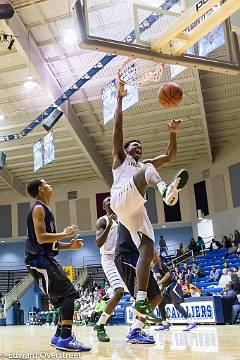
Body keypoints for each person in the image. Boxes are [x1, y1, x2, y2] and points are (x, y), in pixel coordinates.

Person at [110, 81, 188, 318]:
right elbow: (117, 127)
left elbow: (170, 155)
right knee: (148, 169)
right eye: (135, 146)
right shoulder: (121, 160)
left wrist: (172, 133)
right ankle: (165, 191)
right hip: (121, 198)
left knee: (147, 247)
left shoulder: (144, 164)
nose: (139, 149)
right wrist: (120, 98)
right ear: (126, 149)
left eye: (141, 147)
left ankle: (142, 299)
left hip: (134, 207)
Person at [25, 178, 91, 352]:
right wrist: (64, 233)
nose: (49, 185)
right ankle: (66, 338)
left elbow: (47, 243)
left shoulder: (45, 209)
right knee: (69, 295)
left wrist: (69, 245)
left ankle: (58, 337)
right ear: (40, 188)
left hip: (44, 258)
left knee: (65, 299)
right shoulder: (38, 208)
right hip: (38, 260)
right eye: (46, 183)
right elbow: (41, 238)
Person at [115, 222, 162, 344]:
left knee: (157, 296)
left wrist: (153, 252)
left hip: (139, 256)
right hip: (126, 256)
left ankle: (136, 329)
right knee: (142, 298)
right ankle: (135, 331)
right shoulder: (127, 211)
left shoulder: (139, 215)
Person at [94, 196, 125, 342]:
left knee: (138, 293)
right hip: (108, 259)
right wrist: (109, 225)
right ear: (103, 206)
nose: (110, 202)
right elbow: (99, 243)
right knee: (119, 292)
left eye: (112, 200)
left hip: (121, 258)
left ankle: (137, 329)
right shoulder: (102, 221)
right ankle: (100, 326)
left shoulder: (122, 219)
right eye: (107, 201)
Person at [152, 254, 196, 331]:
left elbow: (168, 274)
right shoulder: (154, 268)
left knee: (176, 305)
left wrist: (159, 283)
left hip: (173, 286)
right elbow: (158, 279)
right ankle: (165, 324)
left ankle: (191, 322)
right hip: (166, 288)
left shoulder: (160, 265)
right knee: (160, 303)